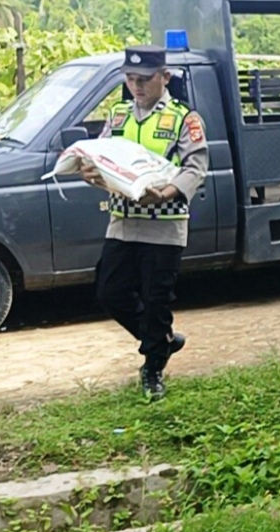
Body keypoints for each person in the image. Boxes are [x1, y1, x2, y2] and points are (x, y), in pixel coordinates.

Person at [80, 45, 209, 401]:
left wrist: (165, 193)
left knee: (156, 298)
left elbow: (195, 168)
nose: (136, 86)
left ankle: (153, 368)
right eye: (130, 79)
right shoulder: (118, 116)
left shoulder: (185, 118)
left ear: (164, 77)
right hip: (123, 220)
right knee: (110, 291)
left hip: (164, 224)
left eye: (144, 79)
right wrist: (91, 174)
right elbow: (102, 158)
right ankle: (161, 341)